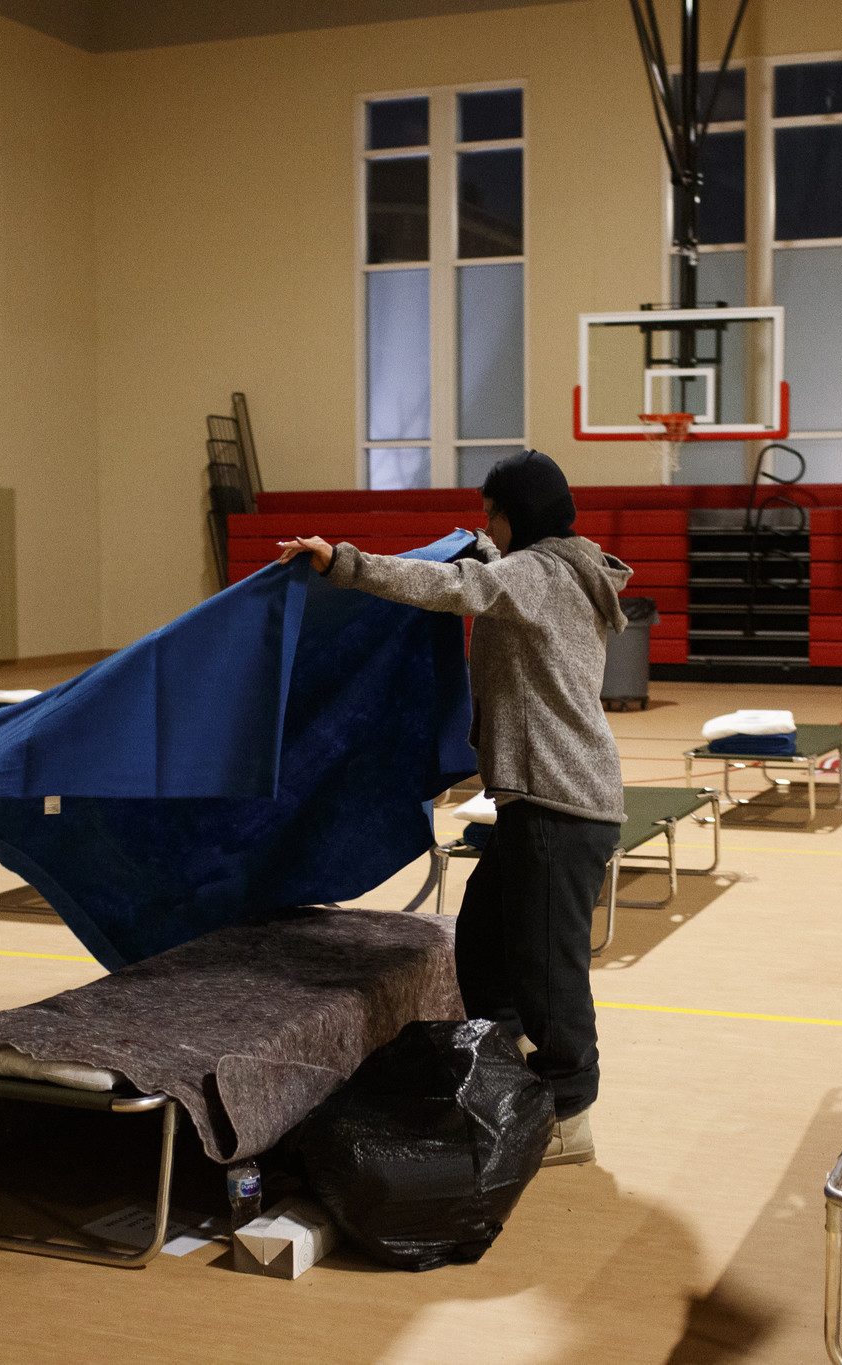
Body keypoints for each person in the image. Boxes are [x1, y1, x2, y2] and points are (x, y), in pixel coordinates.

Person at [275, 450, 629, 1166]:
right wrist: (490, 547)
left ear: (520, 516)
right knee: (484, 937)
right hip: (546, 799)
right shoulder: (564, 564)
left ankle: (570, 1113)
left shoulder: (537, 574)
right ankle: (511, 1067)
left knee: (550, 969)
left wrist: (343, 561)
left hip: (562, 803)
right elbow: (491, 567)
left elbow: (452, 586)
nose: (484, 524)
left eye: (493, 513)